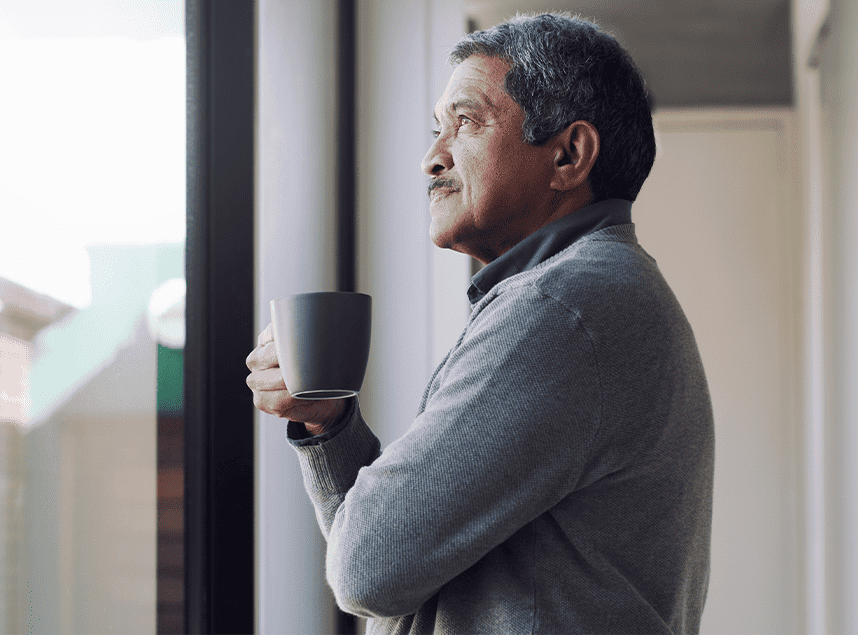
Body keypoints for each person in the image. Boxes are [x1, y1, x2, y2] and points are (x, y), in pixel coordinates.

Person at [247, 12, 713, 634]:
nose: (430, 160)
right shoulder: (594, 292)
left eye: (465, 123)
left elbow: (367, 571)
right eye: (436, 129)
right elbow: (400, 567)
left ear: (569, 155)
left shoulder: (561, 309)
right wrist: (326, 422)